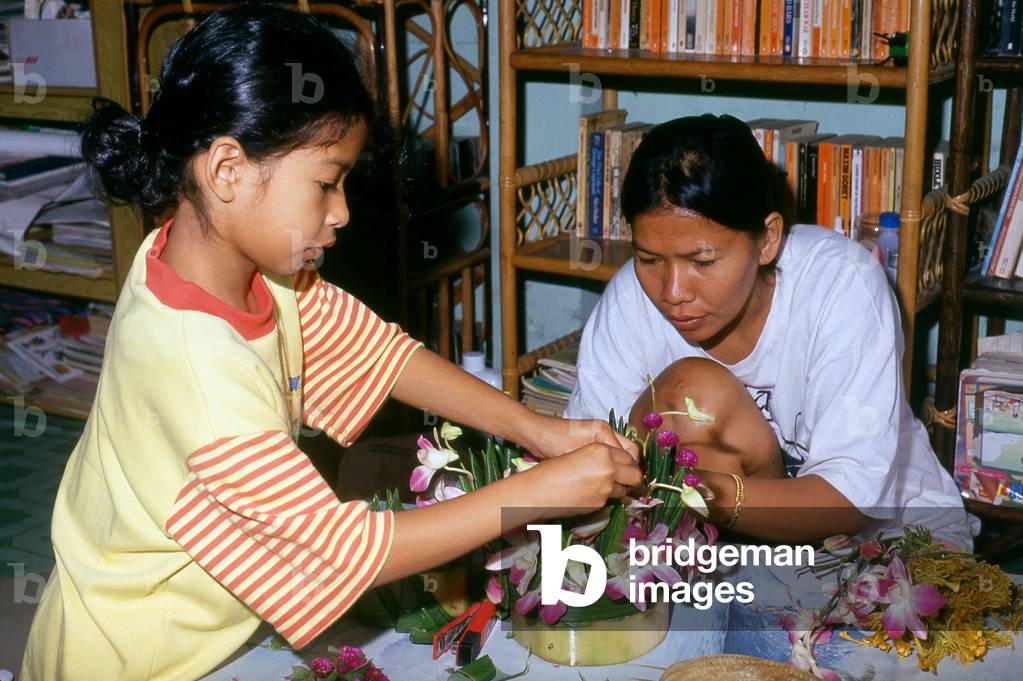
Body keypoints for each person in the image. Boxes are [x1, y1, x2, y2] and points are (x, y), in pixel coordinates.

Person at [20, 6, 640, 680]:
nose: (341, 211)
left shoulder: (225, 263)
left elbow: (380, 353)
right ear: (227, 169)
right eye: (326, 181)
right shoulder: (194, 366)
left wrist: (535, 429)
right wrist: (539, 491)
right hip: (138, 655)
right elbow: (342, 552)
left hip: (207, 626)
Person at [565, 114, 973, 549]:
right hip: (730, 544)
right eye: (649, 260)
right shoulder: (631, 297)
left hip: (884, 535)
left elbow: (849, 502)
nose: (673, 292)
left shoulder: (842, 283)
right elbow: (593, 458)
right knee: (691, 391)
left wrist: (702, 495)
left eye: (702, 262)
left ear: (767, 240)